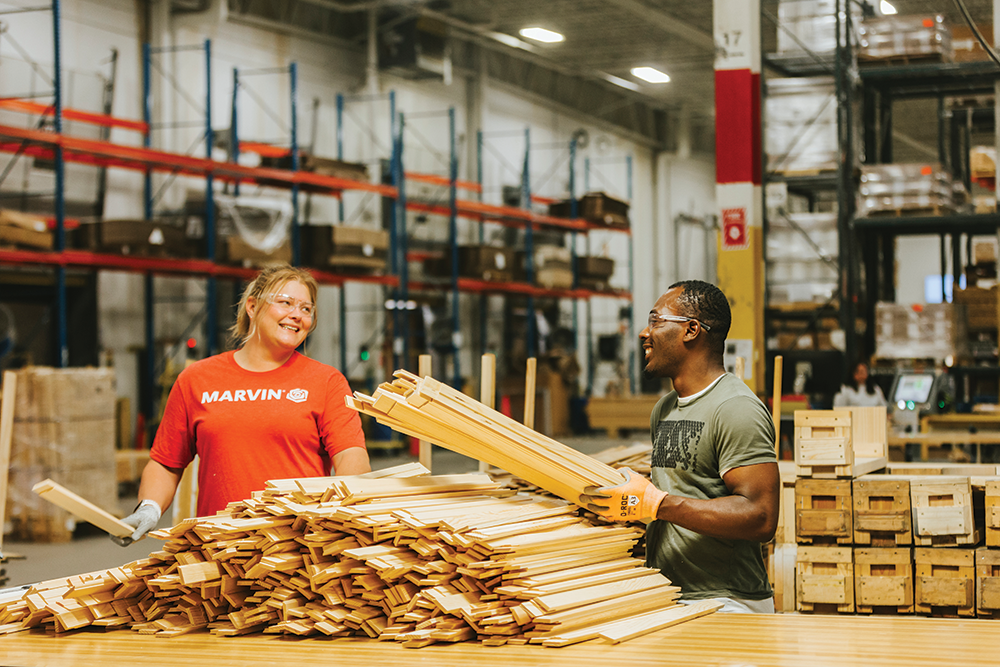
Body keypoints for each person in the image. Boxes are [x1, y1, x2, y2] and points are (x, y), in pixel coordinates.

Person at [114, 265, 370, 545]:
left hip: (296, 554)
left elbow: (350, 456)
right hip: (219, 552)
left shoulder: (326, 382)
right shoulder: (197, 379)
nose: (297, 315)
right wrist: (149, 508)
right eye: (285, 302)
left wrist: (349, 513)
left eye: (307, 309)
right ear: (252, 306)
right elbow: (166, 462)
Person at [579, 280, 779, 613]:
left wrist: (658, 503)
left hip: (727, 600)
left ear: (691, 330)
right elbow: (681, 497)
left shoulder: (736, 408)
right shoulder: (666, 409)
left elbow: (761, 517)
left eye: (656, 321)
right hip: (672, 595)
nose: (645, 333)